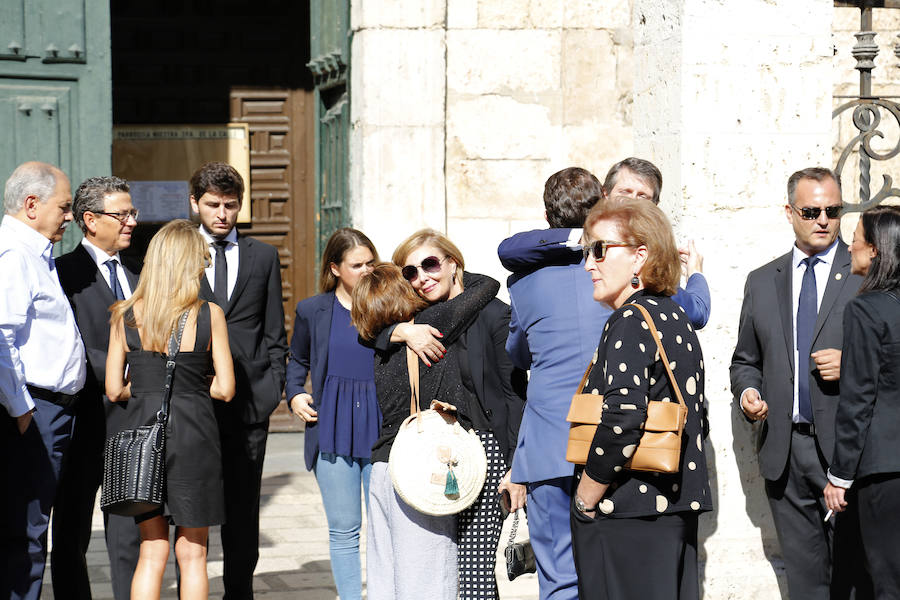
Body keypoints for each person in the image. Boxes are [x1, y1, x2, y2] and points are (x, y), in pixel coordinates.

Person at [730, 167, 867, 600]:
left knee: (855, 577)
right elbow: (745, 360)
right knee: (806, 585)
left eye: (833, 210)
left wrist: (852, 364)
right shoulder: (762, 280)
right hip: (784, 452)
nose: (824, 220)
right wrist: (748, 391)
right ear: (789, 212)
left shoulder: (866, 274)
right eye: (812, 211)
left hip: (848, 453)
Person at [570, 197, 712, 599]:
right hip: (670, 509)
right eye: (586, 251)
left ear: (640, 256)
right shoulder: (673, 315)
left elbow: (623, 419)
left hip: (627, 510)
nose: (588, 264)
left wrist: (585, 497)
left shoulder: (631, 320)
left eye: (599, 249)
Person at [387, 229, 527, 600]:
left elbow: (515, 395)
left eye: (430, 264)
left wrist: (517, 467)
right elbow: (366, 328)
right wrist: (400, 331)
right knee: (452, 569)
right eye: (410, 272)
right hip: (439, 454)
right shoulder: (416, 320)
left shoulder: (495, 315)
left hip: (489, 451)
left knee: (474, 571)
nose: (422, 278)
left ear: (453, 264)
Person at [495, 167, 612, 600]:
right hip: (611, 439)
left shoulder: (525, 284)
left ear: (547, 214)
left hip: (549, 444)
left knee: (559, 575)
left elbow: (518, 354)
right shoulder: (617, 276)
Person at [351, 263, 500, 600]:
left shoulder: (379, 344)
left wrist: (397, 331)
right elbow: (487, 285)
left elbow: (365, 333)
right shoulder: (432, 324)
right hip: (422, 468)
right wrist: (449, 267)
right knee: (429, 579)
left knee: (384, 577)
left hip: (382, 470)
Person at [105, 219, 235, 600]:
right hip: (195, 434)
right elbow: (226, 388)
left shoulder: (125, 313)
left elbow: (114, 389)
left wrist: (145, 388)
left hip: (144, 436)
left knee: (151, 549)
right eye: (200, 260)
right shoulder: (210, 314)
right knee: (193, 553)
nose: (205, 267)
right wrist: (191, 386)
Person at [189, 162, 288, 599]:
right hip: (192, 400)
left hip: (250, 401)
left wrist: (274, 387)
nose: (222, 214)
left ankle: (239, 593)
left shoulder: (263, 256)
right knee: (190, 505)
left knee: (244, 509)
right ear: (195, 204)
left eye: (230, 205)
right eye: (213, 204)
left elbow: (274, 330)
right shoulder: (178, 251)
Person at [53, 176, 142, 600]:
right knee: (71, 535)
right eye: (121, 214)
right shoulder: (62, 273)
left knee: (129, 535)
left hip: (133, 425)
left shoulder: (141, 271)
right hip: (82, 420)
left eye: (131, 213)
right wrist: (118, 374)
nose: (130, 222)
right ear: (90, 220)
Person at [0, 161, 86, 600]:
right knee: (26, 532)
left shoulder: (34, 250)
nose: (70, 216)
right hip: (35, 410)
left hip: (49, 409)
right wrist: (22, 408)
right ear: (32, 205)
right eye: (65, 207)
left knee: (32, 529)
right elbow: (2, 337)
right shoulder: (15, 254)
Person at [498, 158, 711, 329]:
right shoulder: (583, 244)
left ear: (654, 206)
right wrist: (584, 239)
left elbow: (695, 314)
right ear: (605, 195)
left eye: (643, 196)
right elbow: (510, 250)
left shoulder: (649, 260)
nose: (632, 202)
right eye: (625, 193)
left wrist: (694, 273)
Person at [284, 228, 380, 600]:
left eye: (371, 262)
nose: (367, 270)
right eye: (357, 265)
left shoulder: (391, 304)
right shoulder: (313, 309)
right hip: (331, 426)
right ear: (336, 268)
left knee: (385, 525)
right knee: (344, 527)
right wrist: (294, 394)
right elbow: (299, 359)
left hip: (381, 428)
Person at [824, 205, 900, 598]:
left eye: (855, 239)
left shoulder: (865, 309)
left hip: (883, 471)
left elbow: (859, 400)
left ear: (875, 251)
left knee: (886, 582)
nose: (849, 246)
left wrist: (839, 476)